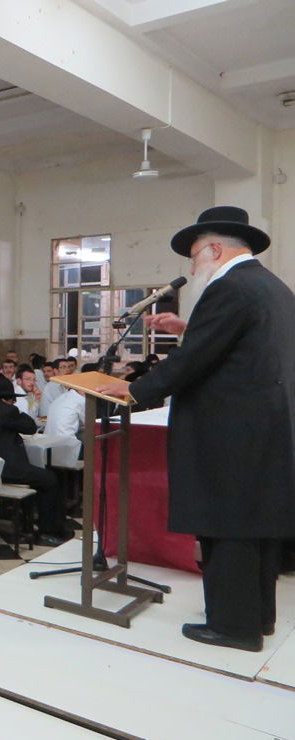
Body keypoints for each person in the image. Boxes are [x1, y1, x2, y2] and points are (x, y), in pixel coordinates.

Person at [97, 206, 295, 653]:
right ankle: (255, 618)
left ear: (214, 248)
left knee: (226, 526)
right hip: (260, 433)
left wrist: (133, 392)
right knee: (253, 529)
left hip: (230, 436)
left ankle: (232, 628)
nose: (191, 268)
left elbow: (193, 363)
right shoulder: (269, 286)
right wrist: (190, 327)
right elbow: (243, 345)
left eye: (192, 257)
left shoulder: (229, 287)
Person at [0, 377, 68, 546]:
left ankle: (46, 525)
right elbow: (30, 427)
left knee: (45, 478)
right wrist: (16, 410)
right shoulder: (8, 411)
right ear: (9, 399)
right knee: (50, 480)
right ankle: (47, 531)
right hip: (9, 469)